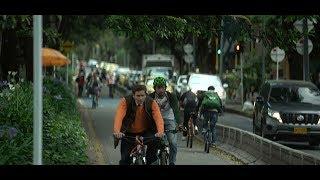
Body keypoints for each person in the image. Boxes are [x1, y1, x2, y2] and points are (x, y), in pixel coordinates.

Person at [113, 84, 164, 165]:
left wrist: (160, 132)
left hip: (146, 132)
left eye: (142, 95)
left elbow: (158, 118)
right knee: (124, 159)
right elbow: (119, 117)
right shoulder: (125, 101)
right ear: (133, 95)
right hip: (128, 133)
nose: (140, 98)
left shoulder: (151, 102)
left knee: (152, 157)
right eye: (138, 95)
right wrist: (117, 132)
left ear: (146, 95)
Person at [149, 76, 180, 165]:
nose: (161, 90)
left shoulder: (171, 96)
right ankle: (153, 160)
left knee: (173, 143)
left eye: (162, 87)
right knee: (152, 142)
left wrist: (179, 123)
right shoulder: (150, 97)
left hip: (169, 121)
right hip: (155, 122)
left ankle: (172, 162)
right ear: (155, 88)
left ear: (165, 87)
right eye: (158, 87)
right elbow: (146, 111)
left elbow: (176, 111)